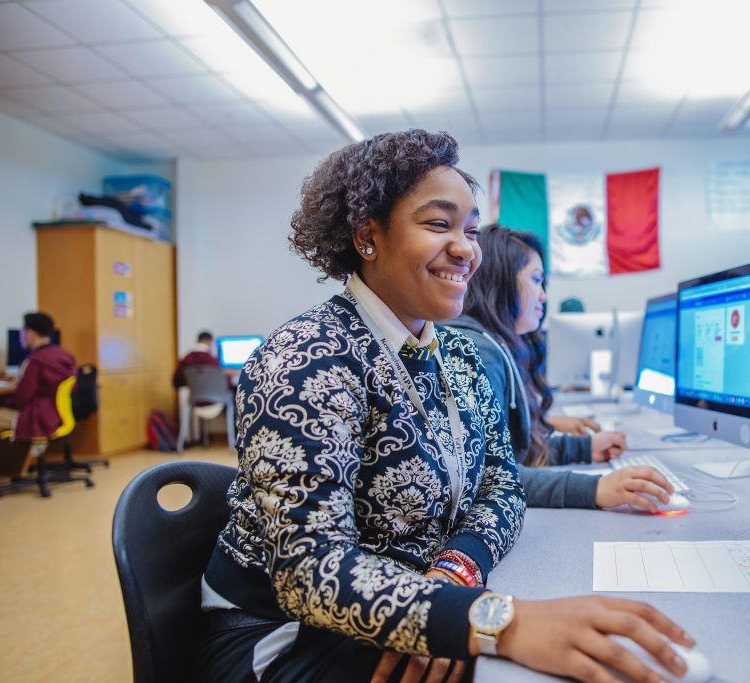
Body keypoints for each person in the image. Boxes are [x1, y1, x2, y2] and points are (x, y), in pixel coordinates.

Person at [195, 130, 695, 683]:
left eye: (471, 230)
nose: (466, 248)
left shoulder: (455, 351)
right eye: (438, 224)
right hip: (286, 636)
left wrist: (454, 578)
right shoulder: (307, 356)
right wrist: (493, 621)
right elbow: (310, 573)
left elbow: (501, 486)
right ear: (368, 237)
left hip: (413, 598)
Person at [449, 225, 674, 511]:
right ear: (500, 282)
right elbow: (487, 476)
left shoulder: (496, 345)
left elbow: (511, 449)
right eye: (535, 280)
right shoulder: (478, 351)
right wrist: (592, 489)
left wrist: (583, 448)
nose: (543, 297)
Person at [0, 312, 76, 440]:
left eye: (22, 332)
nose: (21, 336)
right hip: (55, 415)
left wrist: (6, 402)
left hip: (35, 418)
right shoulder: (65, 356)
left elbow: (21, 398)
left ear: (31, 333)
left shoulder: (35, 362)